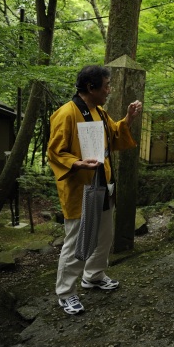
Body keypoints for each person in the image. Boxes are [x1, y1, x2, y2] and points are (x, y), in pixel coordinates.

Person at [48, 65, 142, 315]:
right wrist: (76, 163)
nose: (109, 90)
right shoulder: (66, 113)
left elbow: (114, 135)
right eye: (106, 86)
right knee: (76, 241)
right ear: (91, 87)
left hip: (102, 182)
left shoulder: (99, 112)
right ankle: (66, 292)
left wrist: (129, 118)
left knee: (104, 235)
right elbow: (55, 152)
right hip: (80, 186)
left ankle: (94, 275)